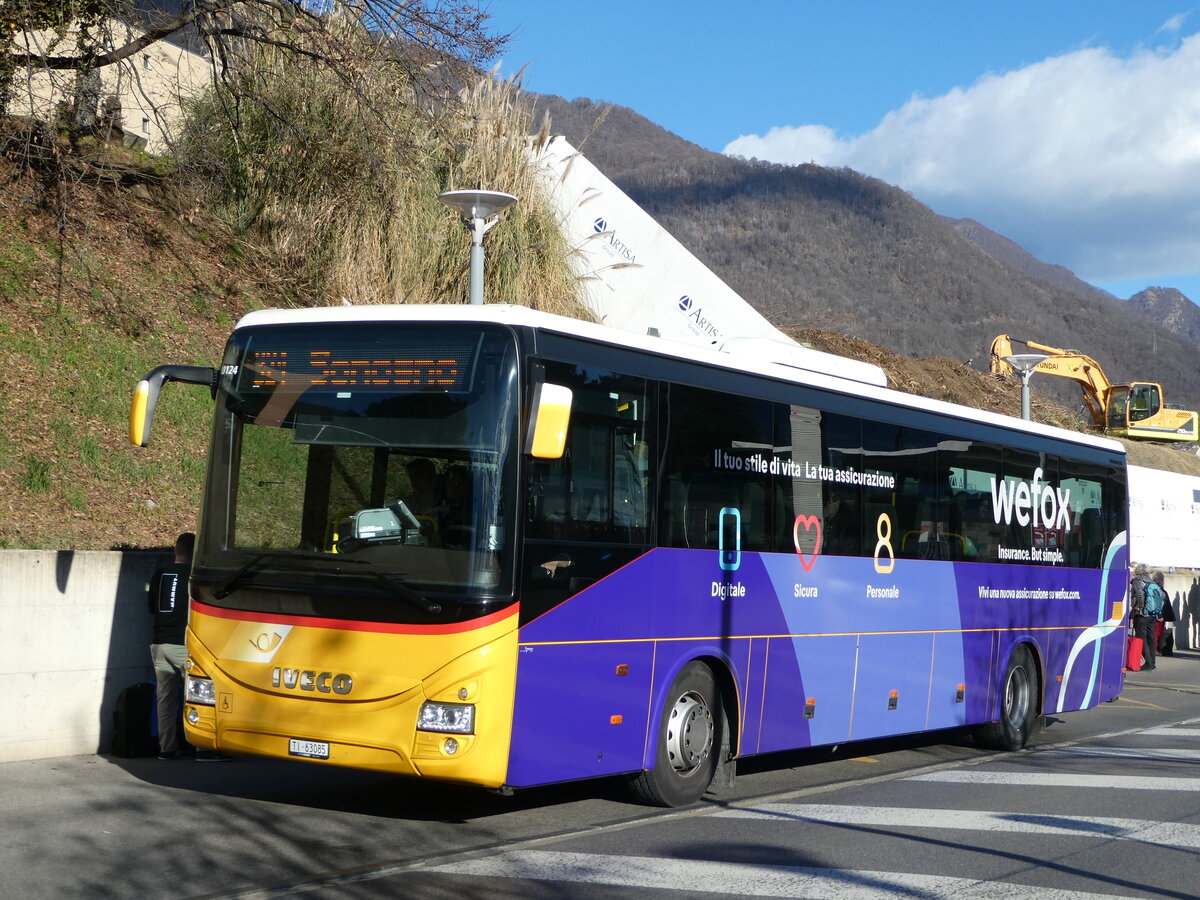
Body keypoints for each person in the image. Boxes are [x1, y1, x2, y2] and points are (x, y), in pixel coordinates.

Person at [148, 532, 195, 759]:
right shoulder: (193, 577)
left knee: (165, 699)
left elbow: (152, 608)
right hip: (183, 646)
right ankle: (203, 747)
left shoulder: (159, 575)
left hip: (158, 644)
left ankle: (167, 748)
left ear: (176, 550)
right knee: (199, 695)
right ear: (195, 552)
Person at [1129, 563, 1157, 671]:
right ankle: (1153, 662)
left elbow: (1139, 594)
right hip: (1152, 614)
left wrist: (1139, 606)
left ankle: (1148, 663)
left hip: (1142, 614)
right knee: (1151, 638)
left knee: (1141, 637)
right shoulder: (1151, 581)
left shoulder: (1137, 581)